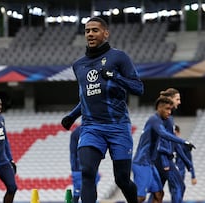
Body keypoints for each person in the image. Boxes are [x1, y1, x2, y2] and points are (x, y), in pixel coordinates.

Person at [62, 16, 144, 203]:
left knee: (122, 179)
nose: (90, 34)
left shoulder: (119, 57)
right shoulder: (78, 65)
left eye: (95, 30)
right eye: (87, 31)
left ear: (106, 33)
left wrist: (116, 77)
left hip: (118, 127)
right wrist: (72, 116)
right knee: (87, 172)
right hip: (92, 127)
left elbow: (138, 88)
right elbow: (87, 96)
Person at [132, 96, 195, 203]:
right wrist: (184, 141)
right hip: (142, 163)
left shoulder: (163, 121)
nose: (169, 112)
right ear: (159, 108)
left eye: (170, 109)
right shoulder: (154, 120)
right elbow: (163, 134)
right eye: (167, 109)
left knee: (159, 194)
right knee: (141, 197)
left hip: (150, 164)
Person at [151, 88, 195, 203]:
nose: (179, 102)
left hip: (159, 159)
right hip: (163, 159)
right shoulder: (166, 119)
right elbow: (163, 141)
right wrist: (165, 161)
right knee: (179, 186)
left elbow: (173, 143)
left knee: (158, 191)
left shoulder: (167, 118)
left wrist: (187, 162)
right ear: (169, 100)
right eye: (177, 99)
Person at [69, 126, 100, 203]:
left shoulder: (95, 130)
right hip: (80, 169)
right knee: (80, 191)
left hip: (88, 168)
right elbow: (73, 152)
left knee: (88, 190)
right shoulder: (77, 132)